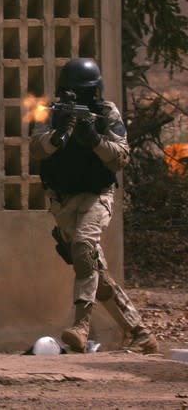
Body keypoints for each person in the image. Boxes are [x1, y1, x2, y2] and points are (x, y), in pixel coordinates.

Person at [30, 57, 158, 354]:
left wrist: (95, 140)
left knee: (84, 247)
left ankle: (80, 325)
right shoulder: (50, 113)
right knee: (94, 270)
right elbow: (36, 149)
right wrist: (58, 135)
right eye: (71, 93)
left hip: (96, 194)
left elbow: (121, 157)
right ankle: (140, 332)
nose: (76, 99)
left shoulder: (105, 113)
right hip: (62, 200)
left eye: (84, 93)